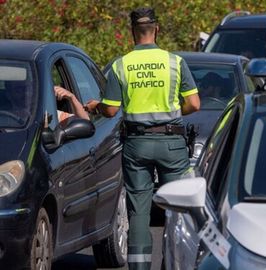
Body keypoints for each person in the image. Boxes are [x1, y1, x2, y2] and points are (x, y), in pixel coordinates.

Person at [85, 7, 200, 270]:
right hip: (172, 143)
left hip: (136, 144)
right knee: (177, 211)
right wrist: (170, 113)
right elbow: (194, 104)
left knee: (138, 213)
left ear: (132, 32)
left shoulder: (121, 65)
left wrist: (95, 106)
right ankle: (173, 263)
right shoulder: (175, 62)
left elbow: (112, 109)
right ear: (156, 30)